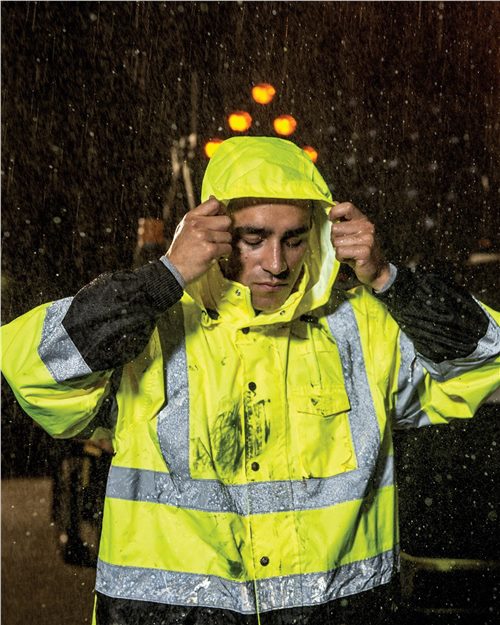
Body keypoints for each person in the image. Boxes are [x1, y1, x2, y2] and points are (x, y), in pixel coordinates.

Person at [2, 136, 499, 625]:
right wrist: (164, 276)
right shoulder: (154, 327)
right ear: (212, 232)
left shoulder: (363, 328)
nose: (276, 264)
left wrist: (390, 280)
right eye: (254, 239)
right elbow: (34, 371)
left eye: (294, 239)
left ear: (319, 235)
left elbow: (485, 361)